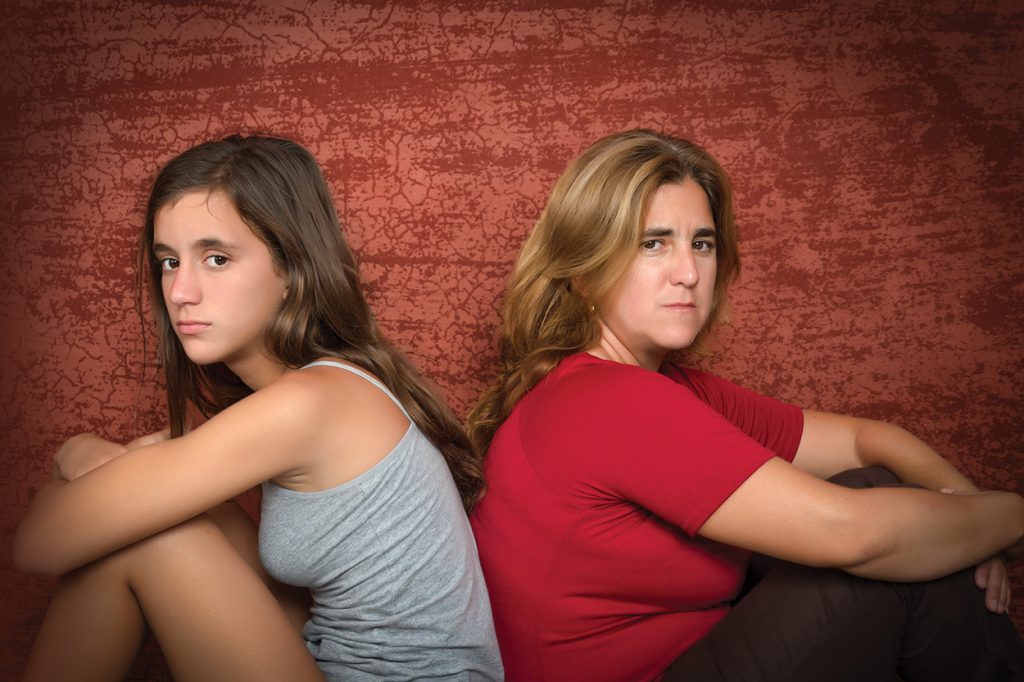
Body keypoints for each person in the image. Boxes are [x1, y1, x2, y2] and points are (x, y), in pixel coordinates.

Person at [466, 128, 1024, 681]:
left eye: (702, 244)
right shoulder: (606, 401)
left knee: (892, 502)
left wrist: (970, 514)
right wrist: (1005, 520)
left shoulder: (658, 388)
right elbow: (854, 536)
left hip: (689, 659)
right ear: (586, 271)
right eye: (652, 243)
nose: (688, 273)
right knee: (894, 548)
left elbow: (867, 441)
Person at [14, 134, 503, 681]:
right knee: (167, 516)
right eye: (169, 261)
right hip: (332, 660)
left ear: (292, 268)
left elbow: (38, 545)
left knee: (156, 534)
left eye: (216, 259)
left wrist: (76, 452)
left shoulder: (308, 404)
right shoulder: (319, 391)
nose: (180, 292)